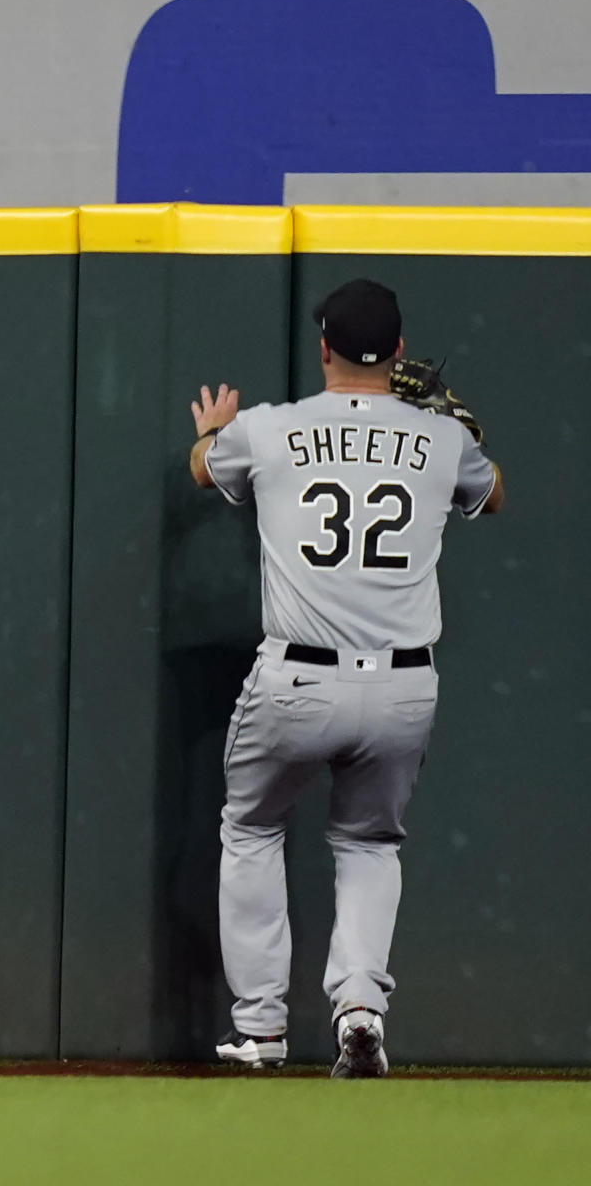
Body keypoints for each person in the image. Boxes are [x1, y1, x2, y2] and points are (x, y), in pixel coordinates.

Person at [188, 278, 503, 1078]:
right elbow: (493, 493)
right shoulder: (437, 439)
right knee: (369, 843)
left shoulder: (269, 430)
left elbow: (200, 468)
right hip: (402, 688)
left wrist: (215, 431)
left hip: (296, 680)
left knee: (252, 829)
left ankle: (261, 1030)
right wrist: (462, 432)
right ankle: (360, 1005)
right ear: (398, 354)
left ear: (322, 347)